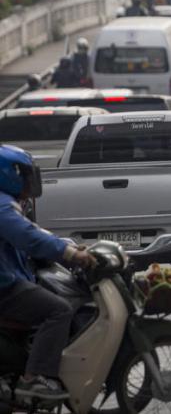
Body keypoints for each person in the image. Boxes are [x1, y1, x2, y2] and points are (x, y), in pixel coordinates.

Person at [0, 146, 97, 402]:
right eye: (26, 176)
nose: (30, 182)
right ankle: (34, 378)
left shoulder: (8, 203)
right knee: (59, 310)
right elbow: (28, 237)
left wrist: (66, 246)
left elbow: (34, 232)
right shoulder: (2, 206)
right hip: (4, 286)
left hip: (9, 277)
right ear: (10, 175)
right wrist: (69, 254)